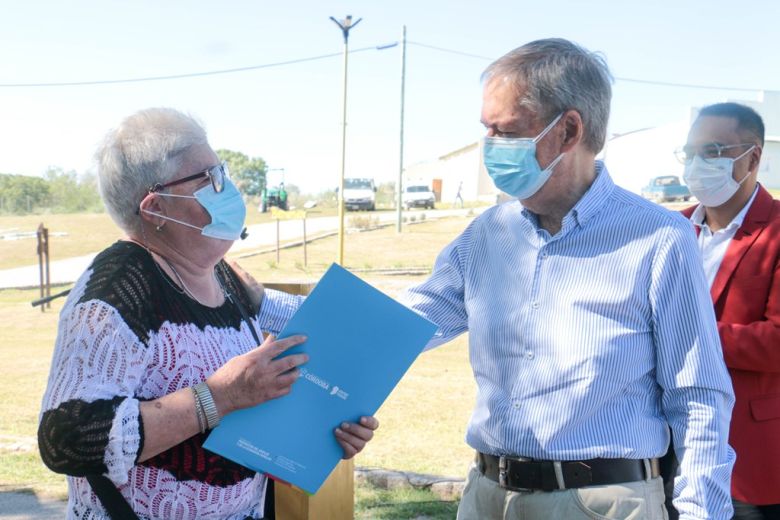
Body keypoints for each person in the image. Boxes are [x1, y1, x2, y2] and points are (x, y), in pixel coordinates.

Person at [397, 38, 736, 519]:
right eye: (486, 130)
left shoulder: (659, 239)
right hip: (489, 497)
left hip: (602, 503)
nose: (489, 146)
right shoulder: (488, 236)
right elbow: (398, 325)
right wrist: (258, 303)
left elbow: (698, 394)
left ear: (569, 129)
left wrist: (703, 512)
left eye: (505, 131)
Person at [37, 107, 378, 519]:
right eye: (211, 178)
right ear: (156, 207)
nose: (228, 188)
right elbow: (67, 437)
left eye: (224, 172)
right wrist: (218, 396)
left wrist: (321, 433)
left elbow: (243, 416)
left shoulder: (223, 277)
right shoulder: (120, 283)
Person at [674, 102, 780, 519]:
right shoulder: (671, 230)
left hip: (748, 457)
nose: (698, 164)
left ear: (752, 157)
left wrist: (685, 332)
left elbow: (776, 342)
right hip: (666, 449)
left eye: (714, 151)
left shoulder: (775, 231)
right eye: (691, 153)